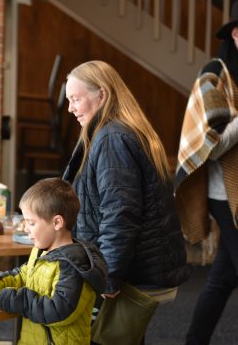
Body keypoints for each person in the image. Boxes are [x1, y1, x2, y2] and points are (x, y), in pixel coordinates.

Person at [61, 60, 189, 343]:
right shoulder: (118, 131)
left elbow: (120, 214)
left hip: (123, 271)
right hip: (132, 267)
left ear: (102, 95)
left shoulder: (112, 139)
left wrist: (109, 276)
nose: (70, 108)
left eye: (76, 99)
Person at [0, 178, 107, 345]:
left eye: (31, 222)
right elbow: (21, 275)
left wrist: (12, 299)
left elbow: (58, 312)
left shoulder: (74, 266)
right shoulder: (42, 251)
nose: (25, 228)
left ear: (57, 222)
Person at [175, 1, 238, 345]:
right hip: (224, 195)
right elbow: (209, 147)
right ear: (236, 33)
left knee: (223, 277)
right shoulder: (214, 74)